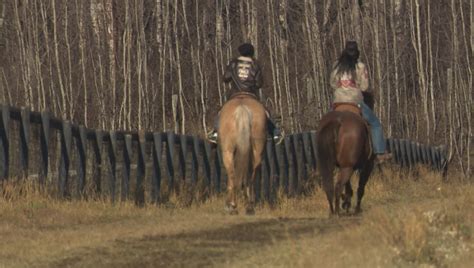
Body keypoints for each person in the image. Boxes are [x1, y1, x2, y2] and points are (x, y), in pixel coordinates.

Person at [330, 41, 392, 163]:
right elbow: (364, 87)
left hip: (338, 102)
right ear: (356, 53)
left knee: (326, 123)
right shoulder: (360, 66)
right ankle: (379, 152)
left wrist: (341, 87)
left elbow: (332, 83)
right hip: (355, 102)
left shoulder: (336, 65)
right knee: (375, 124)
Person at [207, 43, 282, 144]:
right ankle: (275, 133)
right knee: (265, 113)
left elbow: (226, 78)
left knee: (222, 111)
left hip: (235, 94)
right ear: (252, 53)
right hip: (251, 94)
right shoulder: (255, 64)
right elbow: (259, 83)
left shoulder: (233, 63)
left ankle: (215, 132)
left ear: (240, 52)